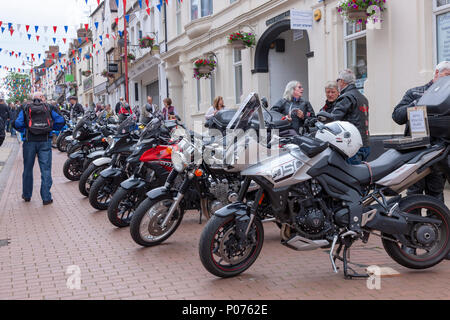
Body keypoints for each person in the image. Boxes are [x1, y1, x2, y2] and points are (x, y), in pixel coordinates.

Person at [392, 61, 450, 203]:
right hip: (415, 155)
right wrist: (416, 104)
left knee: (436, 195)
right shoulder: (414, 93)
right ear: (437, 73)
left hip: (437, 155)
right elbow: (397, 116)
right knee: (413, 195)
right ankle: (413, 225)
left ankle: (436, 225)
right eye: (447, 75)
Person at [14, 92, 65, 205]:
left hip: (29, 141)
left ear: (32, 99)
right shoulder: (49, 107)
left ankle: (27, 195)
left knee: (27, 169)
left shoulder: (25, 107)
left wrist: (26, 130)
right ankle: (46, 197)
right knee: (45, 170)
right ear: (42, 98)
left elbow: (17, 123)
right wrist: (51, 129)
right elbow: (61, 121)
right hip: (45, 140)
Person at [328, 69, 370, 164]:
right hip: (365, 143)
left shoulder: (346, 97)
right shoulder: (363, 98)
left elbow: (333, 120)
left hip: (352, 146)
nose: (336, 83)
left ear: (342, 81)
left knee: (350, 177)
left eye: (337, 80)